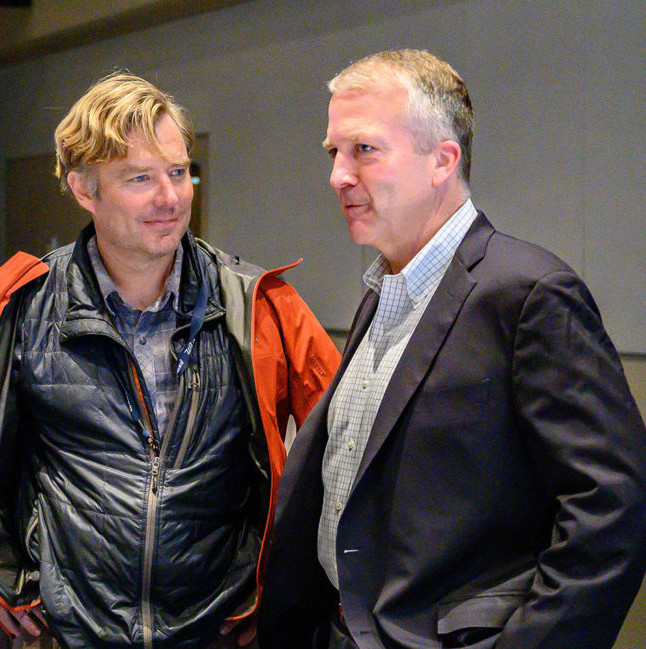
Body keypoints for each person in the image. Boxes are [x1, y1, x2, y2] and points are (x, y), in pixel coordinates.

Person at [0, 72, 341, 649]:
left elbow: (344, 449)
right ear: (85, 191)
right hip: (66, 632)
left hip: (216, 630)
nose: (170, 197)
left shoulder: (259, 307)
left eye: (179, 172)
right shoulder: (13, 307)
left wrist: (287, 589)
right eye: (140, 178)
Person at [256, 49, 646, 649]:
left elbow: (614, 514)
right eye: (334, 152)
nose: (338, 174)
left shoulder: (529, 293)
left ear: (442, 160)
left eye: (364, 149)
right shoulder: (384, 294)